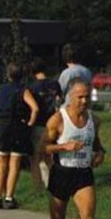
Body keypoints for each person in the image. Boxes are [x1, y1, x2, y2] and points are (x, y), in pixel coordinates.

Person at [41, 78, 105, 219]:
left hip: (83, 174)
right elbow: (44, 148)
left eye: (87, 96)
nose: (84, 101)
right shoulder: (57, 120)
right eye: (80, 97)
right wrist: (64, 147)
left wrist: (100, 154)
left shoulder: (93, 120)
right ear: (70, 97)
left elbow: (97, 144)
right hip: (61, 173)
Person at [0, 62, 38, 209]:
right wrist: (30, 123)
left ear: (8, 74)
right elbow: (35, 108)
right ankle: (9, 197)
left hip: (2, 126)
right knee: (14, 164)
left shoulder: (0, 89)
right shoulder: (23, 90)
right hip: (17, 127)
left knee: (1, 163)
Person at [29, 58, 63, 187]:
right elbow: (59, 101)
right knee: (50, 155)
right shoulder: (55, 84)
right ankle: (53, 182)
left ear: (32, 71)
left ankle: (39, 184)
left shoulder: (32, 87)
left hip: (38, 124)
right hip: (54, 124)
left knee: (37, 156)